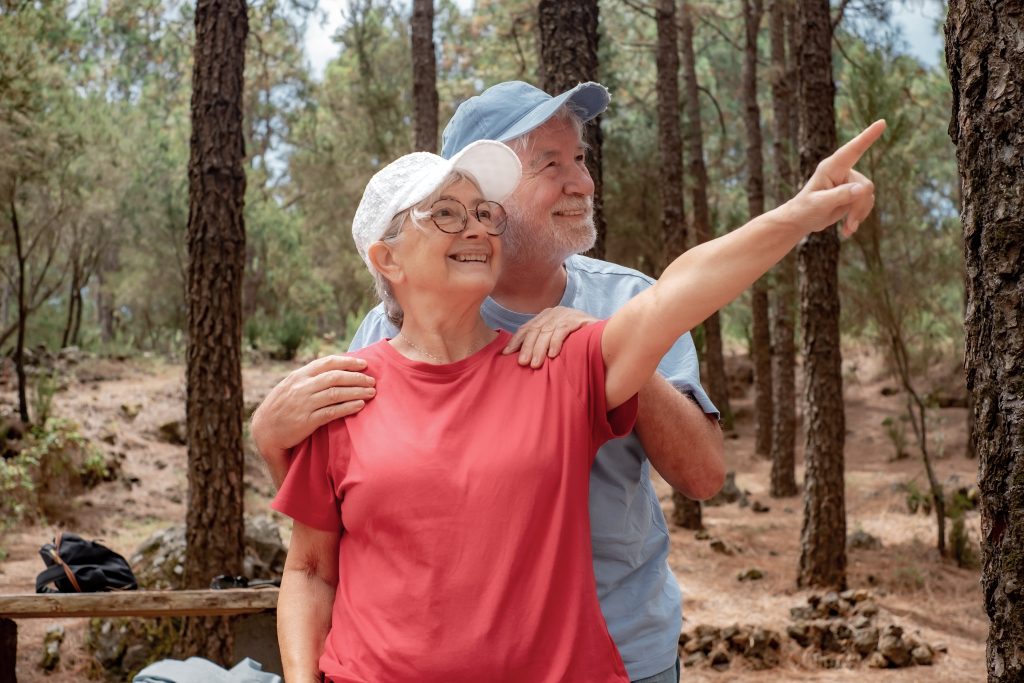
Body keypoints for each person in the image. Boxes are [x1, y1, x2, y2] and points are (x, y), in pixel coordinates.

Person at [251, 80, 876, 682]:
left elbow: (682, 295)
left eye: (481, 213)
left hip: (611, 648)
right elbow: (324, 553)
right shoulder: (359, 374)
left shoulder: (565, 354)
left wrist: (797, 214)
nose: (473, 228)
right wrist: (270, 437)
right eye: (444, 213)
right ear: (387, 259)